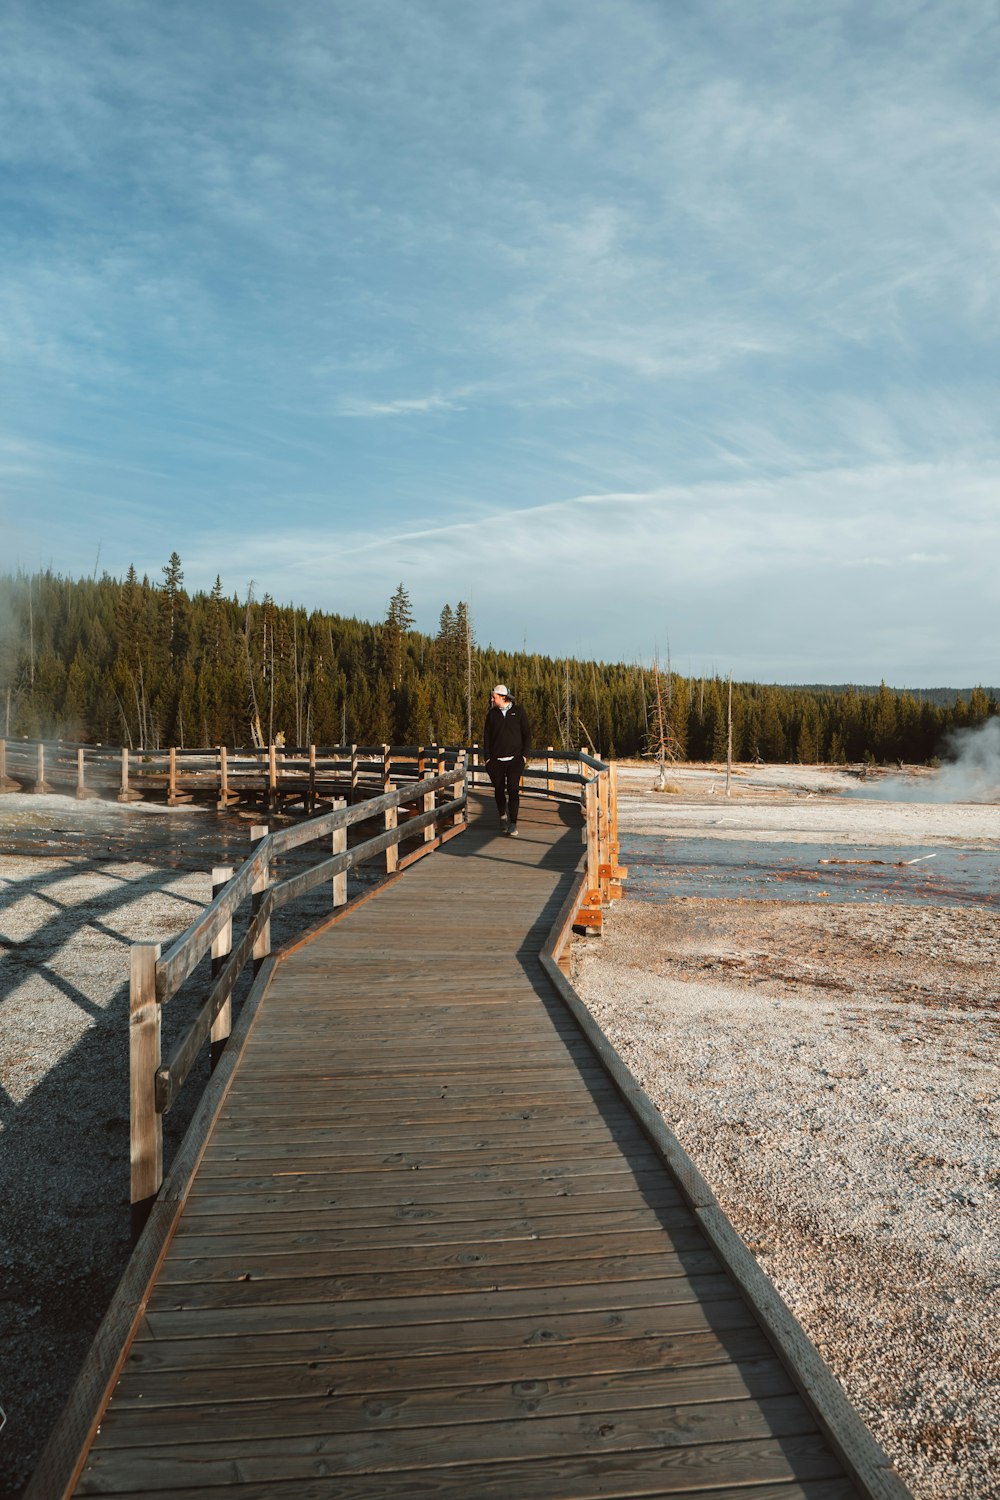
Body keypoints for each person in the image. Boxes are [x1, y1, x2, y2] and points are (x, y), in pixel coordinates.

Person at [482, 684, 531, 836]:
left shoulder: (519, 712)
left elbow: (527, 735)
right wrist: (488, 760)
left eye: (494, 697)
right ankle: (502, 815)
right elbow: (487, 738)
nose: (492, 699)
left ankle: (513, 823)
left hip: (515, 760)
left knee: (513, 789)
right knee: (498, 790)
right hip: (496, 761)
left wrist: (524, 756)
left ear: (503, 697)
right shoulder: (492, 715)